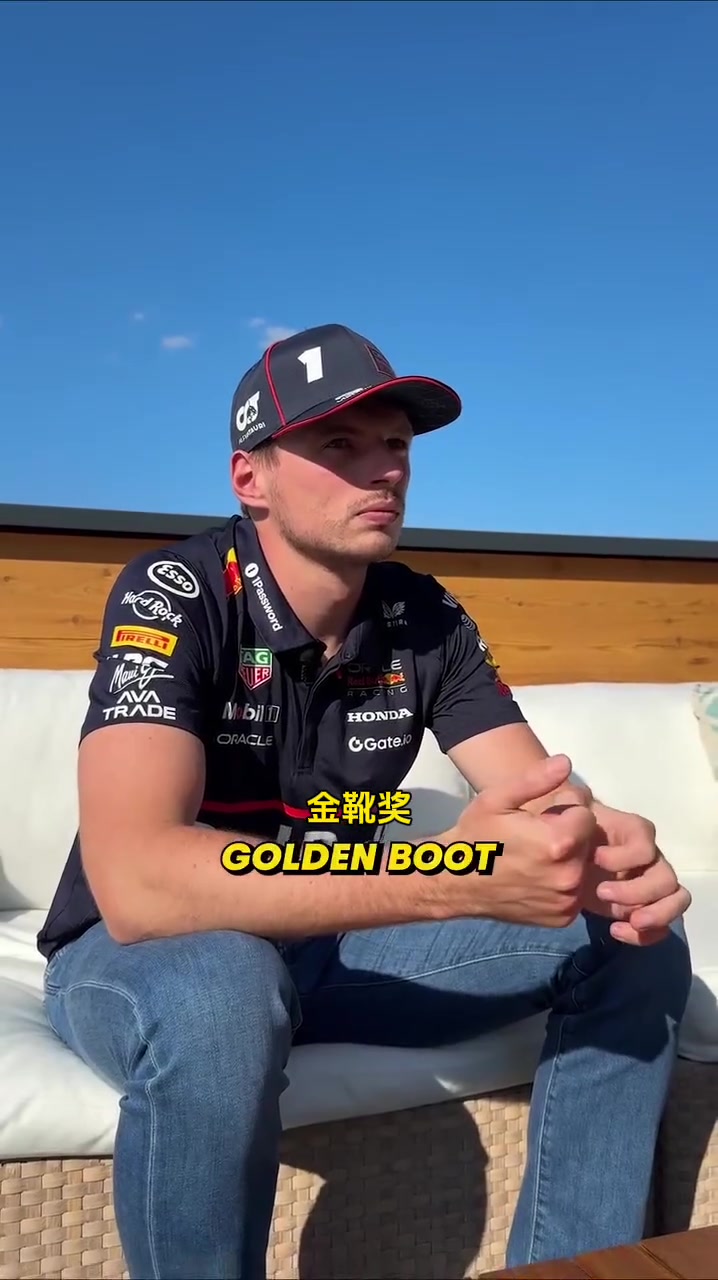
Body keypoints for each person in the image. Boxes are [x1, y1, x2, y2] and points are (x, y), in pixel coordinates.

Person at [38, 323, 692, 1280]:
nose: (383, 470)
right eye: (338, 445)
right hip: (145, 955)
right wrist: (453, 875)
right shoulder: (175, 593)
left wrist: (594, 846)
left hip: (331, 940)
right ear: (250, 478)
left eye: (395, 444)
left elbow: (539, 794)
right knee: (225, 987)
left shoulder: (422, 615)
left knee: (633, 938)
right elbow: (139, 885)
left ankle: (573, 1267)